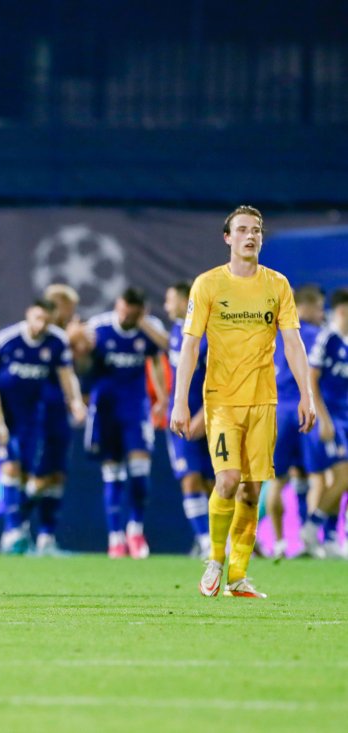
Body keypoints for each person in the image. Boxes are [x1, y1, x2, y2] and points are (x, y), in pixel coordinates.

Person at [172, 205, 316, 599]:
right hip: (221, 401)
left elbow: (293, 343)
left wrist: (306, 394)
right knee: (227, 480)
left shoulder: (277, 285)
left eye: (256, 230)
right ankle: (215, 560)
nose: (250, 236)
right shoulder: (208, 285)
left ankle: (238, 576)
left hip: (264, 401)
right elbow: (190, 346)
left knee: (252, 491)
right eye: (242, 230)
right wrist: (180, 401)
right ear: (227, 238)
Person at [0, 299, 85, 555]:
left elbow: (66, 374)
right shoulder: (5, 341)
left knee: (33, 475)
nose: (41, 325)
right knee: (11, 468)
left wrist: (75, 402)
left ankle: (25, 533)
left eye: (46, 320)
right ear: (28, 315)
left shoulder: (56, 341)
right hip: (6, 417)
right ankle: (12, 532)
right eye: (37, 318)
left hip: (35, 419)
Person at [84, 288, 167, 558]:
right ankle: (115, 538)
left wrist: (163, 397)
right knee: (113, 473)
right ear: (118, 305)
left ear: (141, 311)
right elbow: (81, 359)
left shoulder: (150, 328)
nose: (125, 316)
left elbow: (162, 354)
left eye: (132, 313)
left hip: (136, 408)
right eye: (122, 309)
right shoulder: (98, 327)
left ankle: (135, 530)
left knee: (141, 469)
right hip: (105, 410)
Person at [27, 283, 87, 552]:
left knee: (58, 474)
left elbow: (76, 370)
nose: (72, 314)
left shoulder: (64, 338)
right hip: (36, 413)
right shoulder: (36, 334)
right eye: (69, 308)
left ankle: (46, 536)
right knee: (35, 474)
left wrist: (81, 348)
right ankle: (14, 526)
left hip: (59, 412)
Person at [266, 284, 325, 559]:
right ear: (305, 307)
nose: (321, 314)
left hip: (277, 412)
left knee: (278, 480)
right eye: (319, 308)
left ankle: (279, 542)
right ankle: (310, 537)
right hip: (305, 409)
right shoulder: (314, 334)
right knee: (316, 475)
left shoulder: (271, 334)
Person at [163, 281, 214, 559]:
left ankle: (231, 540)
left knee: (217, 483)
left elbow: (220, 380)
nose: (166, 306)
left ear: (186, 301)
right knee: (190, 479)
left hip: (211, 417)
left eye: (170, 300)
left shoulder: (210, 335)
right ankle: (206, 541)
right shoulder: (176, 330)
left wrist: (204, 415)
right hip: (180, 419)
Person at [301, 287, 348, 559]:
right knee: (342, 476)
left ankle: (330, 538)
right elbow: (311, 379)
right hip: (331, 420)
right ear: (342, 311)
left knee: (342, 480)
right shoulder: (326, 338)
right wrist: (324, 419)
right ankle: (312, 527)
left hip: (345, 418)